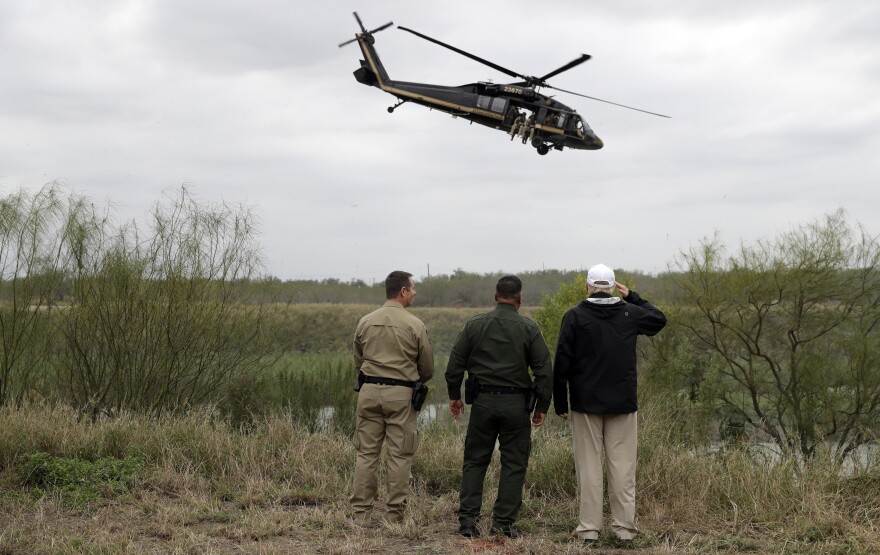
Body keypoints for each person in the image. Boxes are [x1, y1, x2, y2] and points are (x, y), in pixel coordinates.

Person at [553, 264, 666, 546]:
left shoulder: (575, 316)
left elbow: (562, 361)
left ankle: (589, 529)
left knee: (589, 466)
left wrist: (559, 401)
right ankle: (625, 529)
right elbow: (659, 319)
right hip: (623, 403)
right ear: (615, 287)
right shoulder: (630, 314)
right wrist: (634, 297)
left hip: (585, 402)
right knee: (623, 466)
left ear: (588, 287)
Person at [446, 275, 553, 539]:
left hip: (482, 403)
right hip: (516, 405)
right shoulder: (529, 328)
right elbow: (544, 372)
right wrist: (542, 405)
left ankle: (468, 522)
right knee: (514, 463)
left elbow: (454, 366)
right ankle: (503, 524)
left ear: (495, 297)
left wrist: (454, 396)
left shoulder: (474, 325)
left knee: (474, 461)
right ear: (519, 299)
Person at [350, 270, 434, 526]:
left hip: (369, 392)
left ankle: (360, 515)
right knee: (400, 455)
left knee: (366, 454)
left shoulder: (365, 321)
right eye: (413, 288)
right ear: (403, 291)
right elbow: (427, 369)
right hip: (401, 396)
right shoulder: (415, 324)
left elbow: (358, 360)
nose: (415, 292)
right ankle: (394, 516)